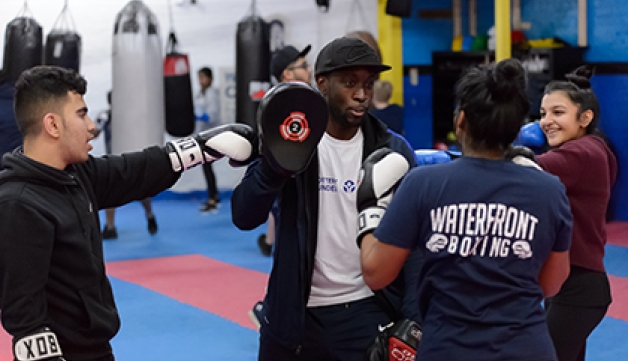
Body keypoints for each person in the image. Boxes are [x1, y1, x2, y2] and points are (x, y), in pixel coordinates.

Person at [0, 65, 256, 361]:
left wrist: (202, 147)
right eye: (82, 114)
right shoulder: (18, 205)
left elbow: (134, 170)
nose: (92, 126)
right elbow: (25, 316)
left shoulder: (75, 174)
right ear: (53, 125)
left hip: (96, 347)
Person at [358, 58, 573, 361]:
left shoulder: (423, 184)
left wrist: (369, 207)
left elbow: (376, 273)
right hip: (526, 349)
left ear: (461, 121)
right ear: (516, 129)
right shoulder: (549, 190)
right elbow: (552, 284)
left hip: (448, 348)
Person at [232, 37, 419, 361]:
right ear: (322, 83)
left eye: (368, 84)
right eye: (349, 83)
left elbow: (415, 241)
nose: (362, 94)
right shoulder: (293, 143)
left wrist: (414, 318)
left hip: (368, 309)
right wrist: (272, 167)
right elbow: (244, 216)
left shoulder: (392, 150)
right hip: (295, 313)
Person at [535, 66, 618, 361]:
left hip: (579, 288)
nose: (546, 122)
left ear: (585, 118)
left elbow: (519, 171)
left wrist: (462, 159)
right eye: (543, 113)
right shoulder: (590, 148)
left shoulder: (582, 153)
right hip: (566, 283)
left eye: (558, 113)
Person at [257, 43, 312, 257]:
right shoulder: (277, 107)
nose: (309, 70)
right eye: (303, 66)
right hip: (288, 185)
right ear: (288, 74)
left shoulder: (310, 101)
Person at [94, 90, 157, 239]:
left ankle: (149, 215)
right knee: (111, 192)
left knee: (140, 191)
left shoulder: (128, 115)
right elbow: (95, 132)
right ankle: (110, 227)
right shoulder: (106, 116)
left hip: (128, 157)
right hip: (116, 159)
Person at [195, 66, 222, 213]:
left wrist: (201, 116)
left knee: (207, 167)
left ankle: (213, 199)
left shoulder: (212, 94)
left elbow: (212, 115)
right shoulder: (200, 94)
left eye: (203, 78)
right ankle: (213, 197)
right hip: (203, 136)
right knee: (206, 167)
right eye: (199, 78)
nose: (200, 81)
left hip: (211, 136)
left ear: (210, 78)